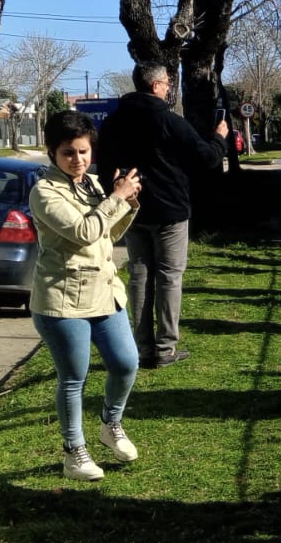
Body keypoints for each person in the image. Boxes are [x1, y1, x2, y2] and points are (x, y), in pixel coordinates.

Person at [29, 111, 144, 481]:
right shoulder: (44, 192)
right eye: (68, 153)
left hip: (104, 293)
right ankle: (73, 451)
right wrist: (116, 199)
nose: (78, 160)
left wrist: (128, 202)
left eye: (83, 151)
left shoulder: (93, 185)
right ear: (52, 153)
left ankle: (111, 424)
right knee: (74, 377)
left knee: (127, 363)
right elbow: (83, 231)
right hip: (62, 299)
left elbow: (108, 234)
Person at [96, 61, 227, 370]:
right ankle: (165, 347)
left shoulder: (114, 122)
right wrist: (219, 137)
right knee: (169, 277)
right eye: (168, 83)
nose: (170, 88)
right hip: (170, 211)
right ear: (155, 86)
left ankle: (141, 348)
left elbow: (103, 168)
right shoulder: (170, 121)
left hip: (132, 209)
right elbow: (206, 157)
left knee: (139, 278)